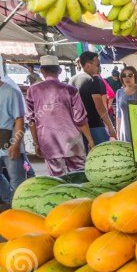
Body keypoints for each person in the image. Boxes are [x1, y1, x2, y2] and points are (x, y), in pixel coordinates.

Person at [26, 55, 93, 177]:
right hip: (73, 142)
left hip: (48, 142)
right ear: (60, 71)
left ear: (41, 71)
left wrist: (36, 143)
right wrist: (90, 140)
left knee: (58, 180)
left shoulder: (32, 90)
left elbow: (31, 121)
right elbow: (80, 119)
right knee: (80, 177)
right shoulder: (70, 90)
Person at [70, 51, 116, 145]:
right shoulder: (93, 80)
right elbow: (100, 107)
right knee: (102, 157)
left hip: (77, 128)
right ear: (88, 64)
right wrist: (111, 127)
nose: (99, 68)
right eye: (97, 65)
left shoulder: (72, 80)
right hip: (95, 127)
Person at [0, 73, 27, 203]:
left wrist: (16, 145)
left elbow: (19, 120)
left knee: (17, 179)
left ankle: (20, 205)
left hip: (10, 143)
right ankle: (10, 201)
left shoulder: (11, 92)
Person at [115, 66, 137, 141]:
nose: (127, 78)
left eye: (130, 75)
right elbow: (118, 113)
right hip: (124, 130)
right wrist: (118, 131)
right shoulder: (119, 93)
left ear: (135, 77)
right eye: (124, 76)